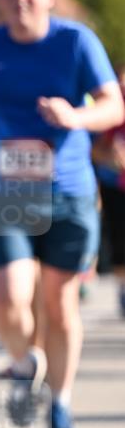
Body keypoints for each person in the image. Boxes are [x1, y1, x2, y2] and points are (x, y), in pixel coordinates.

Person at [0, 0, 123, 428]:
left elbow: (112, 103)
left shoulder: (75, 41)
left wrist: (75, 117)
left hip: (68, 191)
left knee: (61, 304)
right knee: (8, 298)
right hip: (3, 192)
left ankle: (62, 404)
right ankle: (26, 362)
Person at [92, 63, 125, 317]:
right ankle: (123, 287)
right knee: (118, 238)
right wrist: (111, 157)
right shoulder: (112, 111)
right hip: (115, 185)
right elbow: (94, 148)